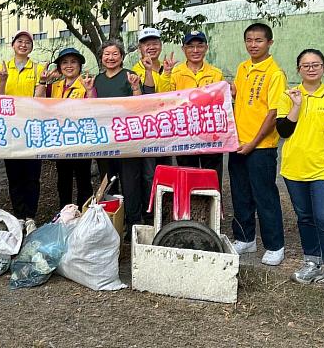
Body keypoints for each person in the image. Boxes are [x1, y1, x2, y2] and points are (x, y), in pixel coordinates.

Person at [276, 49, 324, 309]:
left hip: (323, 170)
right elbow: (283, 131)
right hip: (294, 169)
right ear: (298, 69)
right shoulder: (288, 95)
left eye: (315, 64)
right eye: (305, 65)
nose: (310, 68)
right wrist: (296, 105)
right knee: (305, 217)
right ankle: (312, 263)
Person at [229, 23, 287, 267]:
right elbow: (240, 99)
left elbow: (273, 113)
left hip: (261, 147)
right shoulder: (242, 68)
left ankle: (275, 246)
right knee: (240, 193)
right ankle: (245, 238)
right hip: (237, 144)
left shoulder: (275, 73)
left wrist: (253, 143)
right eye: (249, 40)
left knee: (264, 196)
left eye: (259, 40)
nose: (253, 45)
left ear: (269, 43)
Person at [88, 40, 145, 238]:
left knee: (131, 184)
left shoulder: (129, 76)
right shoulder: (97, 80)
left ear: (121, 57)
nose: (110, 58)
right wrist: (89, 90)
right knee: (108, 183)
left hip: (127, 141)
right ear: (101, 57)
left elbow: (140, 106)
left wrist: (135, 87)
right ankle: (111, 223)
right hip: (105, 142)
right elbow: (91, 108)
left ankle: (133, 224)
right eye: (106, 54)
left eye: (115, 54)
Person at [0, 30, 44, 234]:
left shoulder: (38, 69)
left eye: (27, 42)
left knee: (32, 176)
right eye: (19, 41)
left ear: (31, 47)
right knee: (14, 176)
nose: (23, 45)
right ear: (12, 45)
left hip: (31, 130)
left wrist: (43, 82)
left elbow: (39, 100)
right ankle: (19, 215)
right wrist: (3, 80)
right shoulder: (2, 68)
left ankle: (31, 216)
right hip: (9, 130)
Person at [160, 31, 226, 186]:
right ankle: (190, 202)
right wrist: (166, 74)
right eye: (190, 46)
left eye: (199, 46)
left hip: (210, 134)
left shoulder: (216, 74)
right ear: (183, 49)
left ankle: (213, 201)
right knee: (188, 176)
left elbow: (222, 103)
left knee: (212, 176)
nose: (195, 50)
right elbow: (164, 98)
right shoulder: (175, 73)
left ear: (206, 48)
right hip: (185, 134)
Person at [34, 47, 93, 209]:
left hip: (81, 141)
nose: (69, 66)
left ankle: (84, 213)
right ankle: (65, 212)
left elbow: (93, 108)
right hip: (61, 140)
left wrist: (89, 91)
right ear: (59, 67)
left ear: (80, 66)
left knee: (83, 179)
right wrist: (42, 81)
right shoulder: (55, 86)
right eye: (64, 62)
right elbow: (38, 101)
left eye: (73, 62)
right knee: (63, 179)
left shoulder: (86, 85)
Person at [130, 27, 173, 208]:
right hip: (147, 131)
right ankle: (150, 212)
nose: (151, 47)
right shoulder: (134, 71)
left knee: (168, 170)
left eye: (155, 43)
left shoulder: (169, 67)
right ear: (140, 48)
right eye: (147, 44)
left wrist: (168, 73)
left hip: (168, 129)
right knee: (149, 173)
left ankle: (167, 209)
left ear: (161, 45)